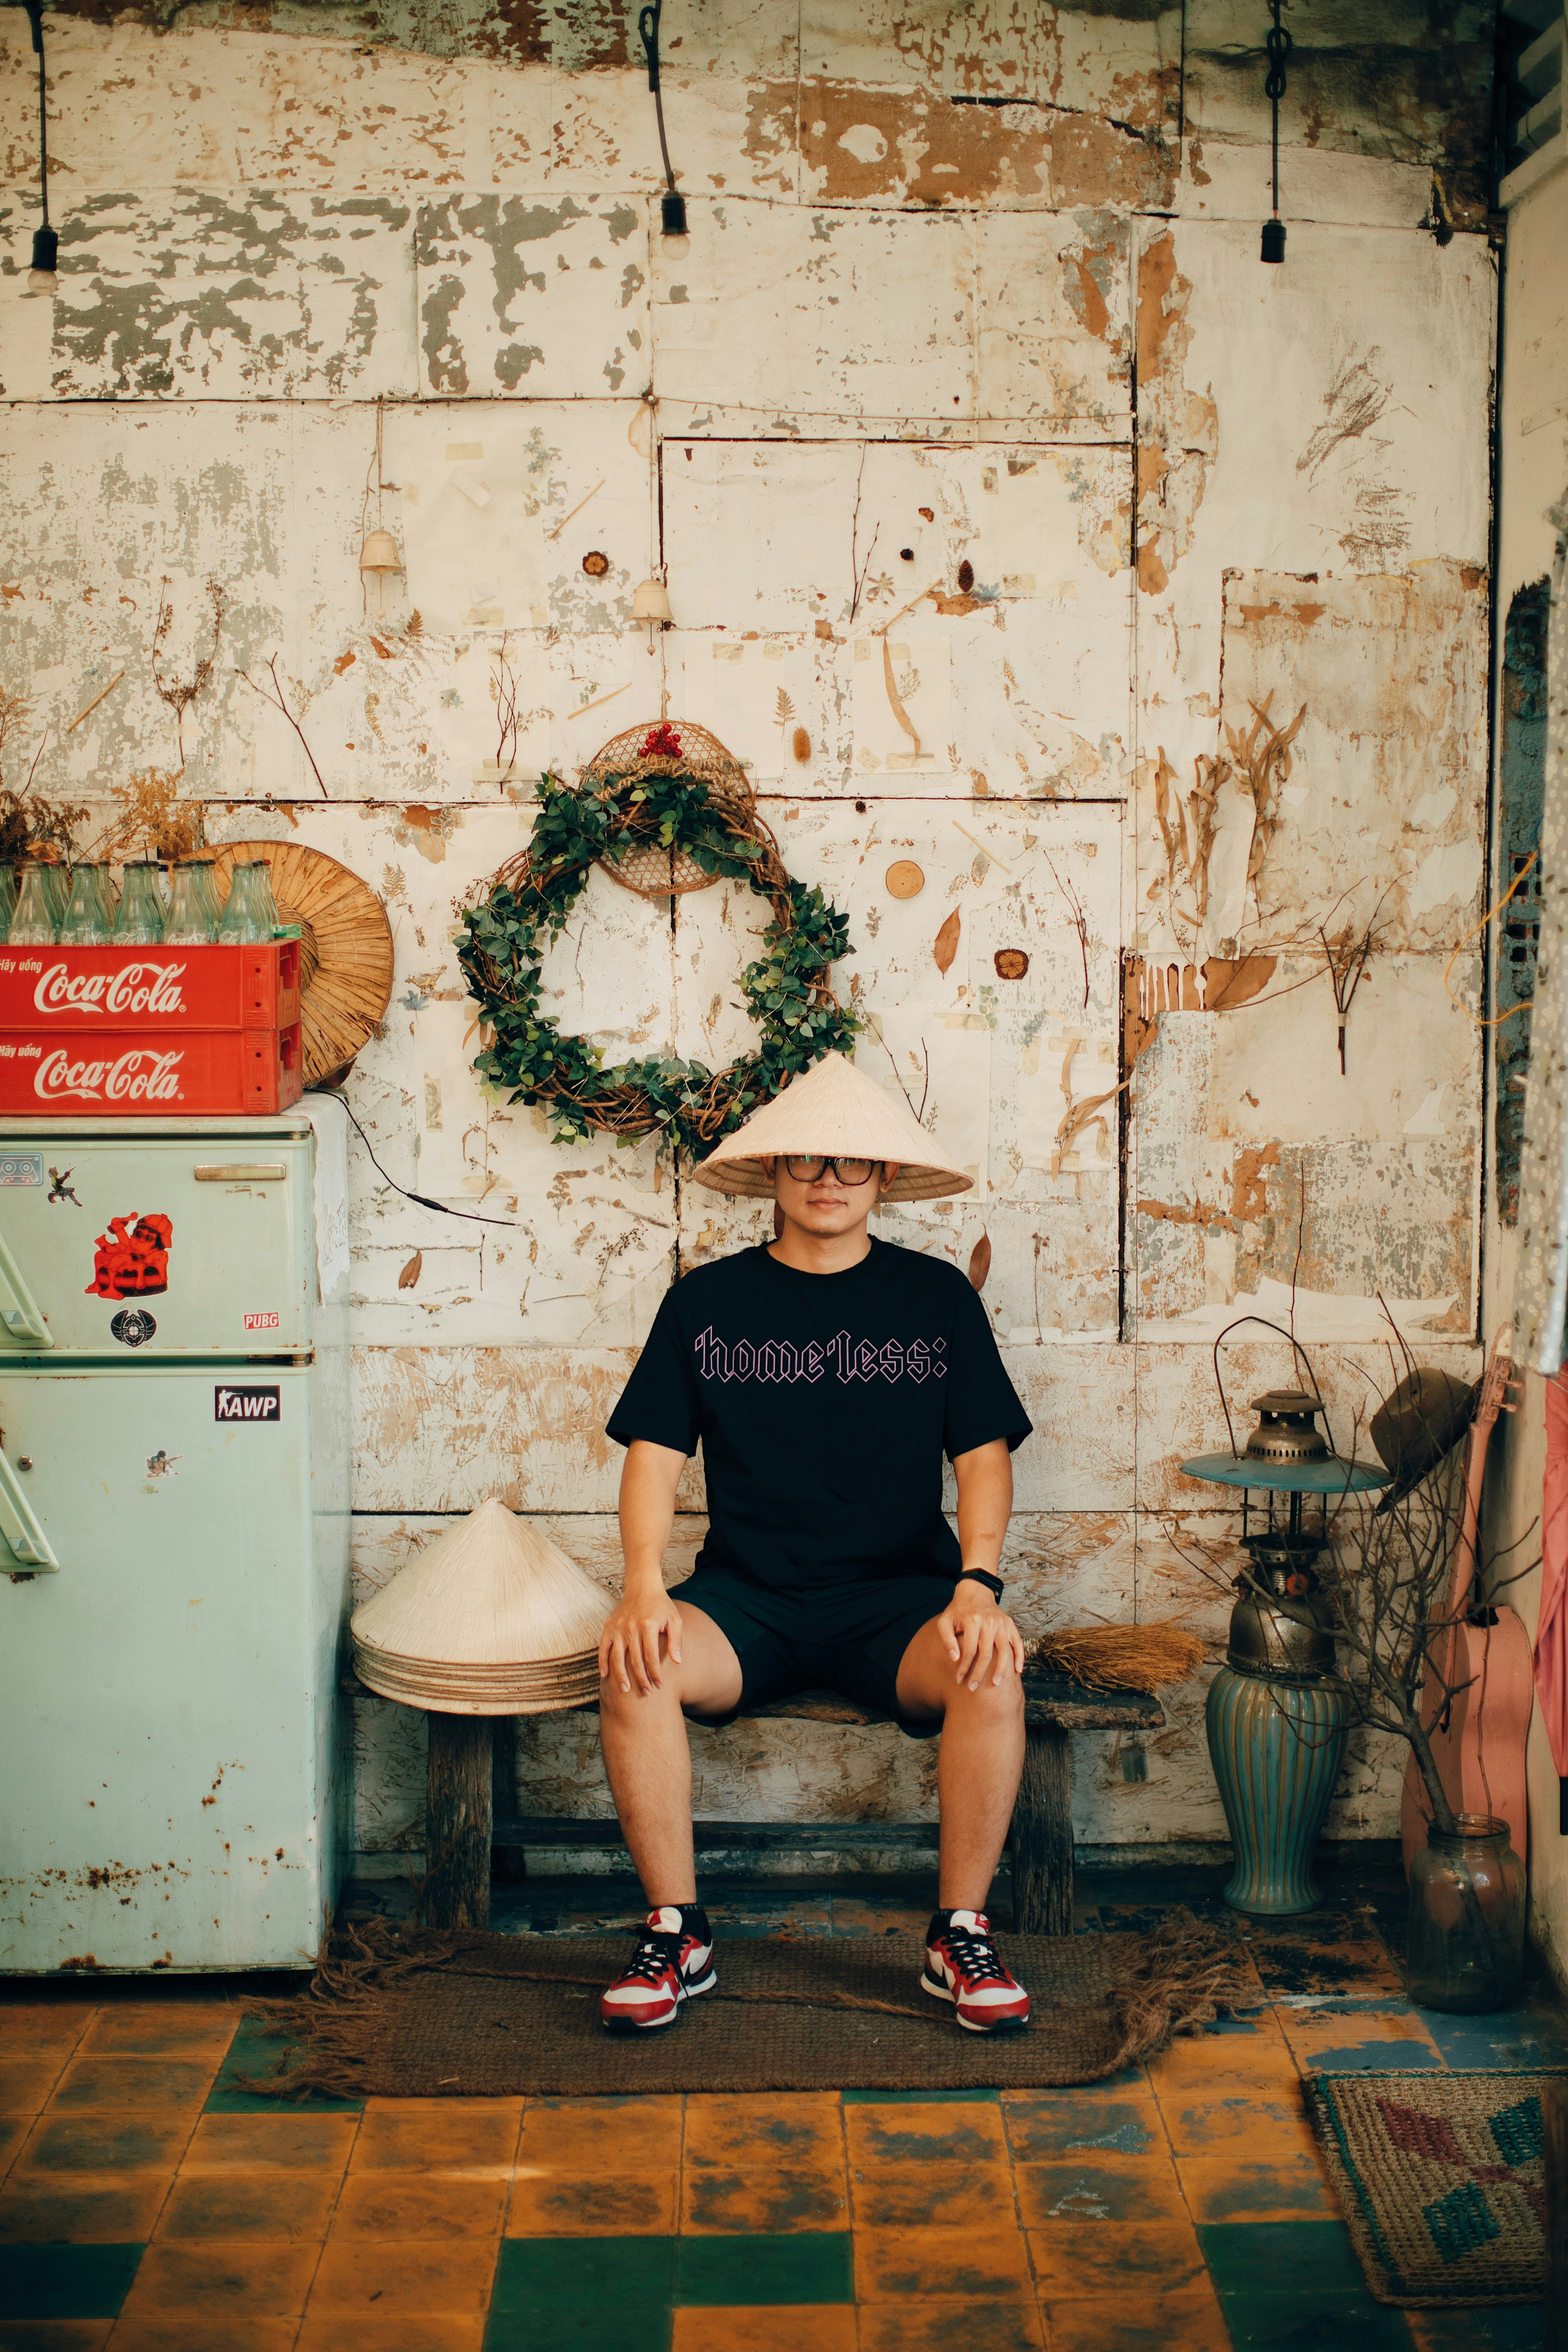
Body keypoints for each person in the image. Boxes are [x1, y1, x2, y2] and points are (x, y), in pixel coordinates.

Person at [596, 1051, 1035, 2036]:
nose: (828, 1179)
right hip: (748, 1599)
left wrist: (977, 1584)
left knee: (993, 1666)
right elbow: (656, 1458)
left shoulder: (935, 1301)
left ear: (882, 1178)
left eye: (851, 1162)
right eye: (806, 1161)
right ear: (772, 1173)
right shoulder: (706, 1304)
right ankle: (678, 1932)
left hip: (898, 1601)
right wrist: (641, 1587)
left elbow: (983, 1455)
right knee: (633, 1662)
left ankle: (956, 1933)